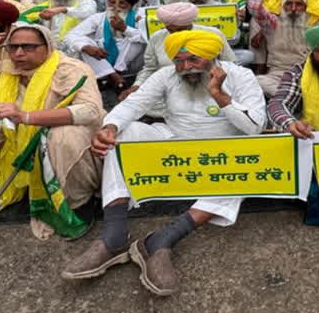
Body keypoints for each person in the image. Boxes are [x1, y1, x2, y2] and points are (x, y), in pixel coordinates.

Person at [61, 31, 265, 295]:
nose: (185, 67)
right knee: (125, 133)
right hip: (173, 143)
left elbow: (254, 127)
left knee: (248, 166)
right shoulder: (166, 76)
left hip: (220, 155)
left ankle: (161, 240)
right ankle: (114, 236)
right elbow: (133, 104)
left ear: (214, 56)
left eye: (193, 59)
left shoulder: (241, 76)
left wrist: (218, 94)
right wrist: (109, 127)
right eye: (179, 61)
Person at [0, 23, 104, 237]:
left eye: (28, 47)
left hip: (62, 138)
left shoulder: (70, 68)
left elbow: (91, 111)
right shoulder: (6, 69)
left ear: (47, 47)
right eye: (12, 47)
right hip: (17, 139)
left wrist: (26, 117)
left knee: (62, 136)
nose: (18, 53)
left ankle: (77, 201)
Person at [120, 2, 236, 102]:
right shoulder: (157, 37)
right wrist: (136, 86)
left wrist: (220, 89)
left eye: (180, 29)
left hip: (208, 89)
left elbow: (230, 65)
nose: (175, 34)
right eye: (170, 30)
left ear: (190, 23)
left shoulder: (213, 34)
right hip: (169, 92)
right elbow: (150, 68)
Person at [248, 0, 319, 97]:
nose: (293, 9)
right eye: (289, 4)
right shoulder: (272, 23)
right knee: (256, 82)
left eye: (299, 4)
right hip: (278, 75)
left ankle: (291, 97)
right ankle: (292, 97)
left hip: (310, 74)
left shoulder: (318, 24)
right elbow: (254, 8)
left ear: (306, 6)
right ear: (282, 5)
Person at [61, 0, 146, 93]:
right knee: (84, 43)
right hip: (103, 58)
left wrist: (125, 29)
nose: (116, 7)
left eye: (122, 3)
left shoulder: (139, 17)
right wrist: (86, 47)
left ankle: (116, 72)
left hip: (129, 67)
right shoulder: (98, 17)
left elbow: (147, 38)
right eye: (112, 2)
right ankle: (113, 75)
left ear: (131, 5)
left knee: (135, 39)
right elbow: (71, 35)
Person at [21, 0, 97, 42]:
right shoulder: (46, 5)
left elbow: (87, 12)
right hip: (53, 46)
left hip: (77, 47)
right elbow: (26, 18)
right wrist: (41, 17)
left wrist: (62, 9)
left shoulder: (86, 2)